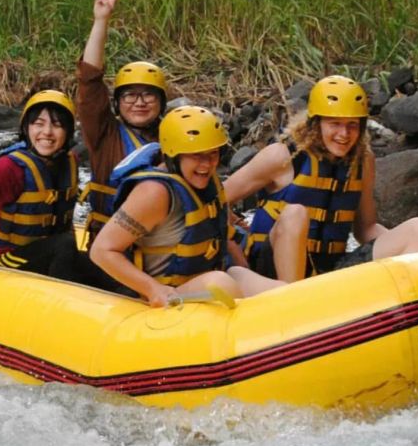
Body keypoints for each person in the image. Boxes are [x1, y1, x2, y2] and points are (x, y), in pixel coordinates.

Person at [224, 75, 418, 282]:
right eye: (334, 123)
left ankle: (404, 307)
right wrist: (236, 249)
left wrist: (402, 246)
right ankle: (291, 301)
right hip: (271, 270)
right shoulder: (282, 156)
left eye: (352, 125)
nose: (344, 133)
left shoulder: (362, 162)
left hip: (330, 269)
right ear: (315, 123)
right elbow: (214, 201)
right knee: (295, 213)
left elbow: (366, 229)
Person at [90, 105, 284, 307]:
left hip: (207, 283)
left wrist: (243, 263)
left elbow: (221, 233)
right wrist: (152, 289)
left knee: (279, 291)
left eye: (213, 154)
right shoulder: (154, 193)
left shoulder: (207, 180)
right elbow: (102, 250)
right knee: (221, 282)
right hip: (168, 298)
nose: (207, 164)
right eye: (196, 155)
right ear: (174, 155)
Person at [0, 90, 83, 278]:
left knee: (96, 264)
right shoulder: (9, 167)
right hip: (8, 261)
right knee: (65, 243)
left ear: (68, 132)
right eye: (38, 124)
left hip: (52, 255)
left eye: (57, 125)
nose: (47, 132)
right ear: (26, 129)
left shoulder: (71, 161)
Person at [77, 0, 167, 245]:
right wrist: (101, 21)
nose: (139, 102)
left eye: (148, 94)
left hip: (160, 245)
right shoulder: (104, 134)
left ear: (161, 102)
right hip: (110, 246)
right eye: (130, 95)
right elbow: (90, 80)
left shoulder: (173, 137)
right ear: (117, 103)